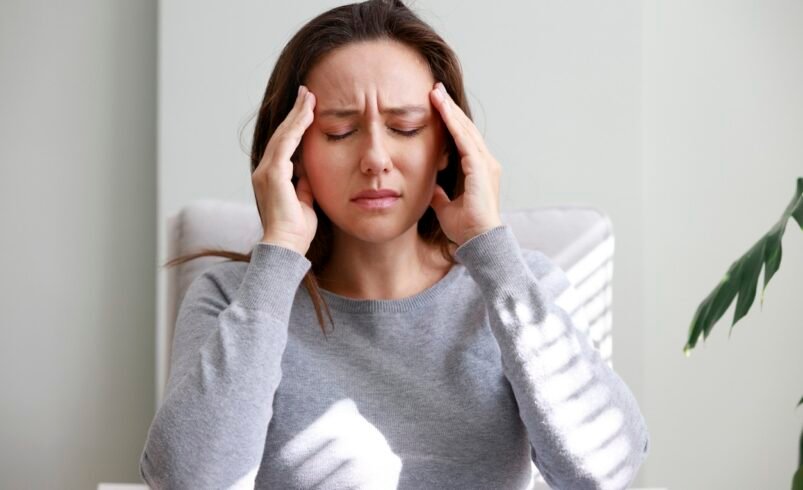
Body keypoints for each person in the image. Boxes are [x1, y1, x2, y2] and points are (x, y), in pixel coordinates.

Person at [138, 0, 650, 488]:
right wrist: (278, 259)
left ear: (448, 144)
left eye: (406, 127)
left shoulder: (523, 285)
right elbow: (188, 481)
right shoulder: (232, 298)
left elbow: (603, 474)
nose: (376, 158)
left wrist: (492, 250)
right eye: (340, 132)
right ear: (290, 153)